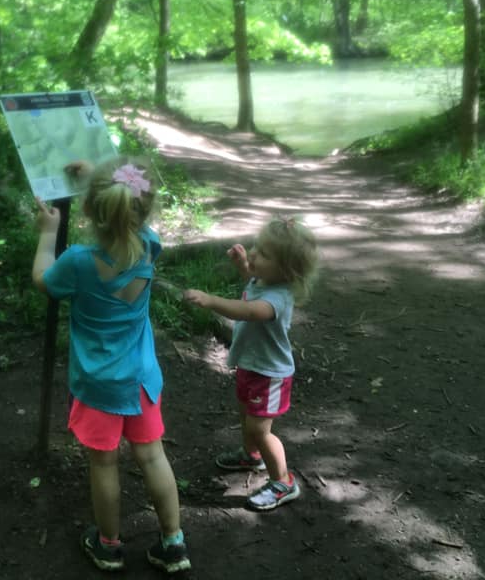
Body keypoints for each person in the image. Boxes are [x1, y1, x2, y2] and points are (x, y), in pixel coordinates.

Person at [32, 156, 190, 574]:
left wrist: (48, 236)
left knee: (103, 464)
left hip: (99, 385)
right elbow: (122, 215)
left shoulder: (79, 262)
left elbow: (44, 281)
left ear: (90, 211)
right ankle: (173, 543)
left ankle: (108, 546)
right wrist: (95, 184)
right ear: (141, 211)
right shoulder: (150, 244)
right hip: (140, 380)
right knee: (153, 456)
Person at [183, 217, 318, 512]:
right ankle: (251, 456)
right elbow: (252, 281)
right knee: (246, 416)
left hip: (270, 375)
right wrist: (244, 264)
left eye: (264, 254)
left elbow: (247, 310)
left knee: (259, 428)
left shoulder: (277, 301)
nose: (255, 253)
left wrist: (211, 300)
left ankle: (283, 481)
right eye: (257, 246)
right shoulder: (265, 279)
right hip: (251, 365)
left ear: (285, 271)